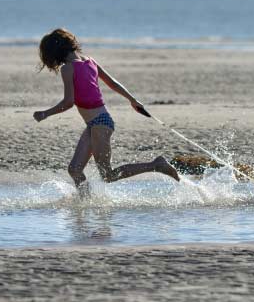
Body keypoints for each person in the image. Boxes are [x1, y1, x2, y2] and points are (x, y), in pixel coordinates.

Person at [33, 28, 180, 194]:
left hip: (100, 123)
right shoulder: (90, 61)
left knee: (107, 174)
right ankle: (83, 203)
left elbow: (69, 102)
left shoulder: (68, 68)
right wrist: (132, 100)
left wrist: (45, 113)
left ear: (53, 53)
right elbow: (114, 83)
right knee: (74, 169)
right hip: (96, 123)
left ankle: (156, 165)